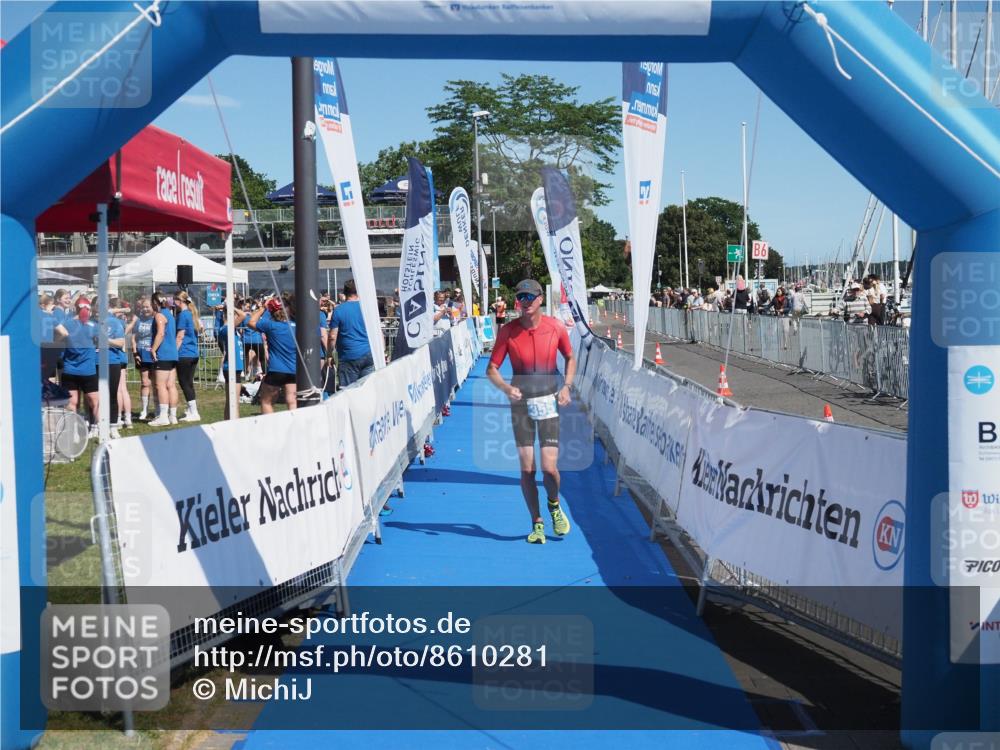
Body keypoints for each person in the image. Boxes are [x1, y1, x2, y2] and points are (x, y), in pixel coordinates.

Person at [486, 279, 576, 545]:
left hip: (549, 402)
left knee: (549, 469)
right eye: (519, 297)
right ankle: (536, 522)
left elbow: (570, 358)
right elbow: (491, 369)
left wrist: (567, 387)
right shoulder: (508, 332)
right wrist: (505, 387)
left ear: (539, 299)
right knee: (527, 469)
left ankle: (554, 504)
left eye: (528, 296)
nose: (523, 301)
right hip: (521, 405)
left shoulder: (555, 327)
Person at [54, 298, 99, 431]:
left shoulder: (66, 324)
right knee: (94, 401)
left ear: (76, 308)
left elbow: (58, 341)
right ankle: (96, 428)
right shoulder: (93, 326)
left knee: (72, 403)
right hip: (87, 370)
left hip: (70, 369)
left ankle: (73, 430)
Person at [250, 291, 298, 413]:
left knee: (266, 401)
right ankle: (295, 427)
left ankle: (270, 428)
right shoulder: (296, 326)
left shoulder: (270, 325)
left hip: (276, 369)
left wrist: (262, 308)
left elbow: (250, 322)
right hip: (293, 369)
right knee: (292, 401)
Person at [329, 279, 374, 388]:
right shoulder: (368, 308)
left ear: (344, 293)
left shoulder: (339, 310)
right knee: (367, 391)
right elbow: (378, 332)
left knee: (348, 393)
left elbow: (332, 336)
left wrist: (329, 355)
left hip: (349, 356)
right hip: (369, 354)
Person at [148, 291, 179, 426]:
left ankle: (163, 417)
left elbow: (160, 333)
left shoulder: (159, 315)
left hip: (164, 353)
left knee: (160, 385)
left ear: (155, 303)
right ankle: (173, 416)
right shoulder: (170, 315)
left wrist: (153, 349)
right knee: (171, 385)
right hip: (173, 354)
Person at [174, 290, 202, 422]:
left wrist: (174, 353)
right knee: (189, 383)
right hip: (193, 353)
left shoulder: (183, 315)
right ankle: (192, 410)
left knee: (184, 383)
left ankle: (194, 412)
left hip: (184, 353)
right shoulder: (191, 314)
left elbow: (180, 336)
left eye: (174, 300)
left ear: (179, 301)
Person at [128, 296, 156, 420]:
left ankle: (158, 409)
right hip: (141, 354)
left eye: (147, 307)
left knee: (156, 383)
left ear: (152, 307)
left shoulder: (156, 319)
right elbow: (134, 338)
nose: (145, 309)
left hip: (153, 354)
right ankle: (144, 410)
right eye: (143, 307)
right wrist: (135, 353)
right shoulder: (138, 320)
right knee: (145, 382)